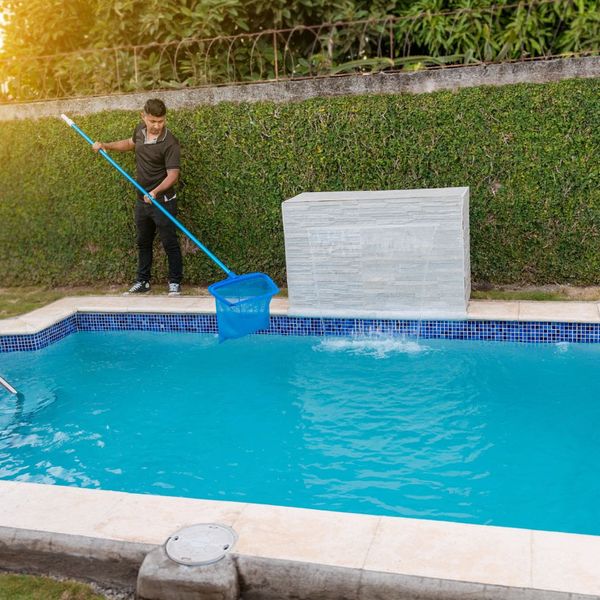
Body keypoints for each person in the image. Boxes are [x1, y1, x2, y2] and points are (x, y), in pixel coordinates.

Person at [92, 98, 183, 296]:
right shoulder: (139, 131)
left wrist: (155, 192)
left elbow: (173, 175)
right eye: (153, 121)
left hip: (163, 201)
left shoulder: (170, 142)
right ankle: (143, 282)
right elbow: (129, 144)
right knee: (143, 242)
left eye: (161, 121)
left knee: (169, 242)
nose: (157, 125)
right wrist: (106, 145)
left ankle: (175, 282)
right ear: (144, 117)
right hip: (142, 200)